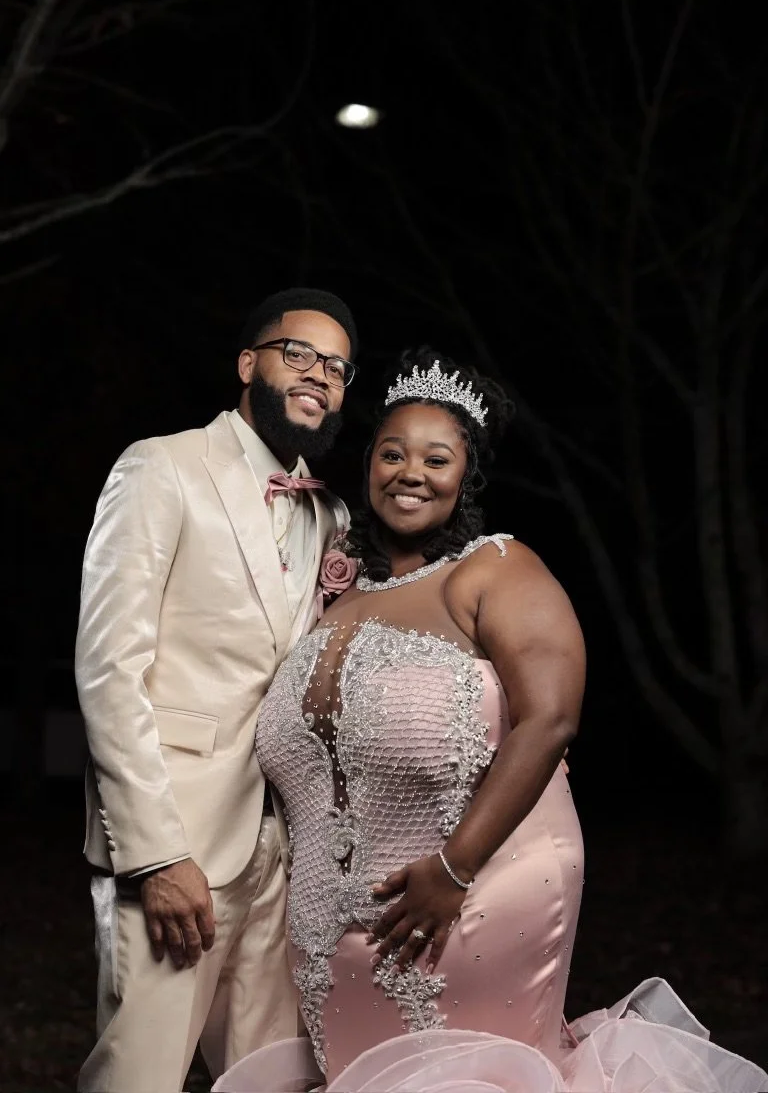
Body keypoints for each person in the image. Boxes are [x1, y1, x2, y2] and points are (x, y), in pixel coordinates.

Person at [213, 349, 768, 1093]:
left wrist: (452, 869)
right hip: (327, 931)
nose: (410, 471)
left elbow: (550, 720)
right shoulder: (337, 597)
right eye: (392, 453)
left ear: (466, 475)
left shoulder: (495, 569)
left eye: (436, 458)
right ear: (369, 464)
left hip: (473, 893)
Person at [75, 288, 358, 1093]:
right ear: (248, 365)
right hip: (176, 843)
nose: (318, 375)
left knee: (270, 1081)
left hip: (282, 854)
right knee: (140, 1079)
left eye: (337, 368)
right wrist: (156, 853)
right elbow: (108, 670)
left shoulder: (330, 515)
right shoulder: (160, 467)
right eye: (297, 353)